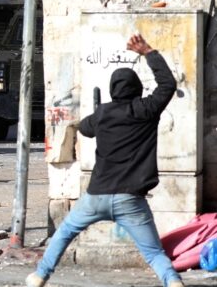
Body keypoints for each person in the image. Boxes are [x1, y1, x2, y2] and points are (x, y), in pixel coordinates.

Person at [26, 34, 183, 287]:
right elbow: (167, 85)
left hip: (97, 195)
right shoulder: (146, 109)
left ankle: (40, 275)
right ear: (137, 89)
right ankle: (172, 281)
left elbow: (85, 128)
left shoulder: (102, 115)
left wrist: (100, 112)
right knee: (153, 253)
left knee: (65, 232)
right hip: (131, 198)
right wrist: (148, 52)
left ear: (113, 90)